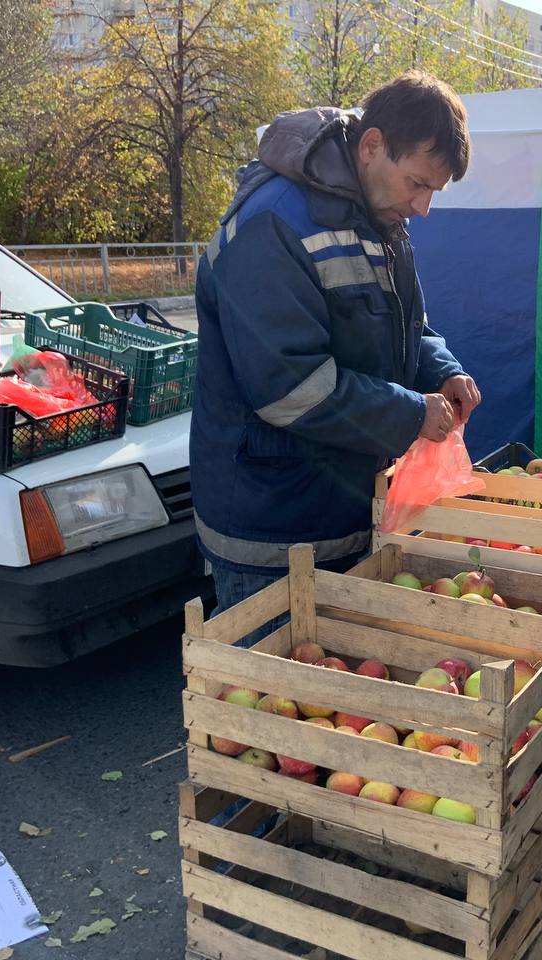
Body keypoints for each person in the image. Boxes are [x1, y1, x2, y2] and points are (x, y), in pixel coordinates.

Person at [190, 71, 482, 631]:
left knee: (335, 704)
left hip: (342, 512)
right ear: (371, 146)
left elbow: (407, 327)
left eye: (433, 192)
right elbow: (290, 389)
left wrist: (443, 371)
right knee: (274, 704)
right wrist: (411, 412)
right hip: (271, 533)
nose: (423, 208)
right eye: (417, 184)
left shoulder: (379, 221)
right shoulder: (271, 223)